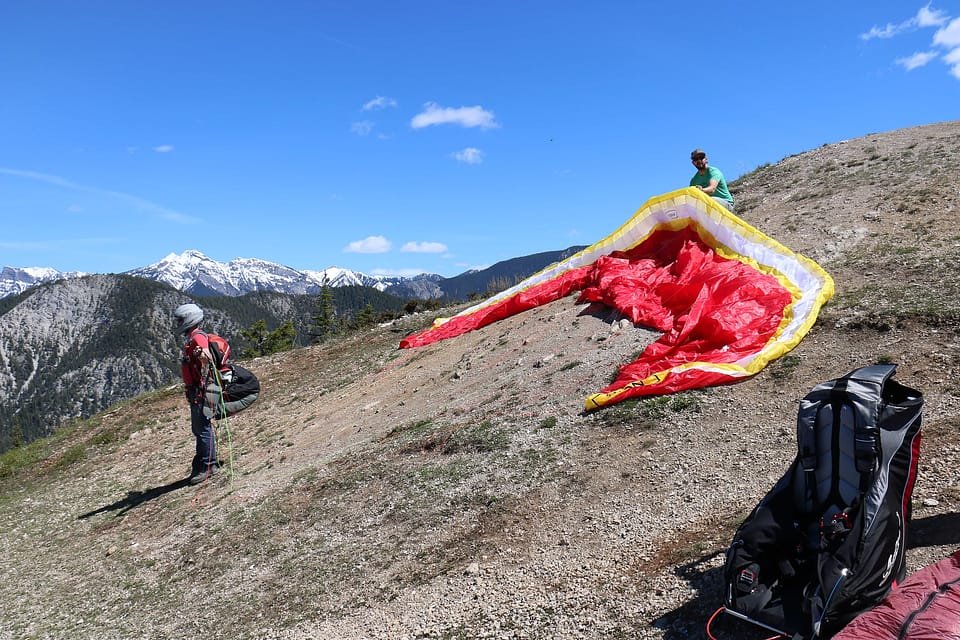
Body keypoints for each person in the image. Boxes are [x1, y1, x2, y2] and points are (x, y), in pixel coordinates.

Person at [172, 303, 220, 484]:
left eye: (180, 320)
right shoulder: (192, 337)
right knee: (200, 428)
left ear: (189, 319)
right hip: (196, 389)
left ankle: (207, 466)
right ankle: (207, 463)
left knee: (202, 429)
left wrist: (201, 354)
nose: (178, 323)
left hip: (200, 390)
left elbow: (207, 357)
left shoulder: (197, 338)